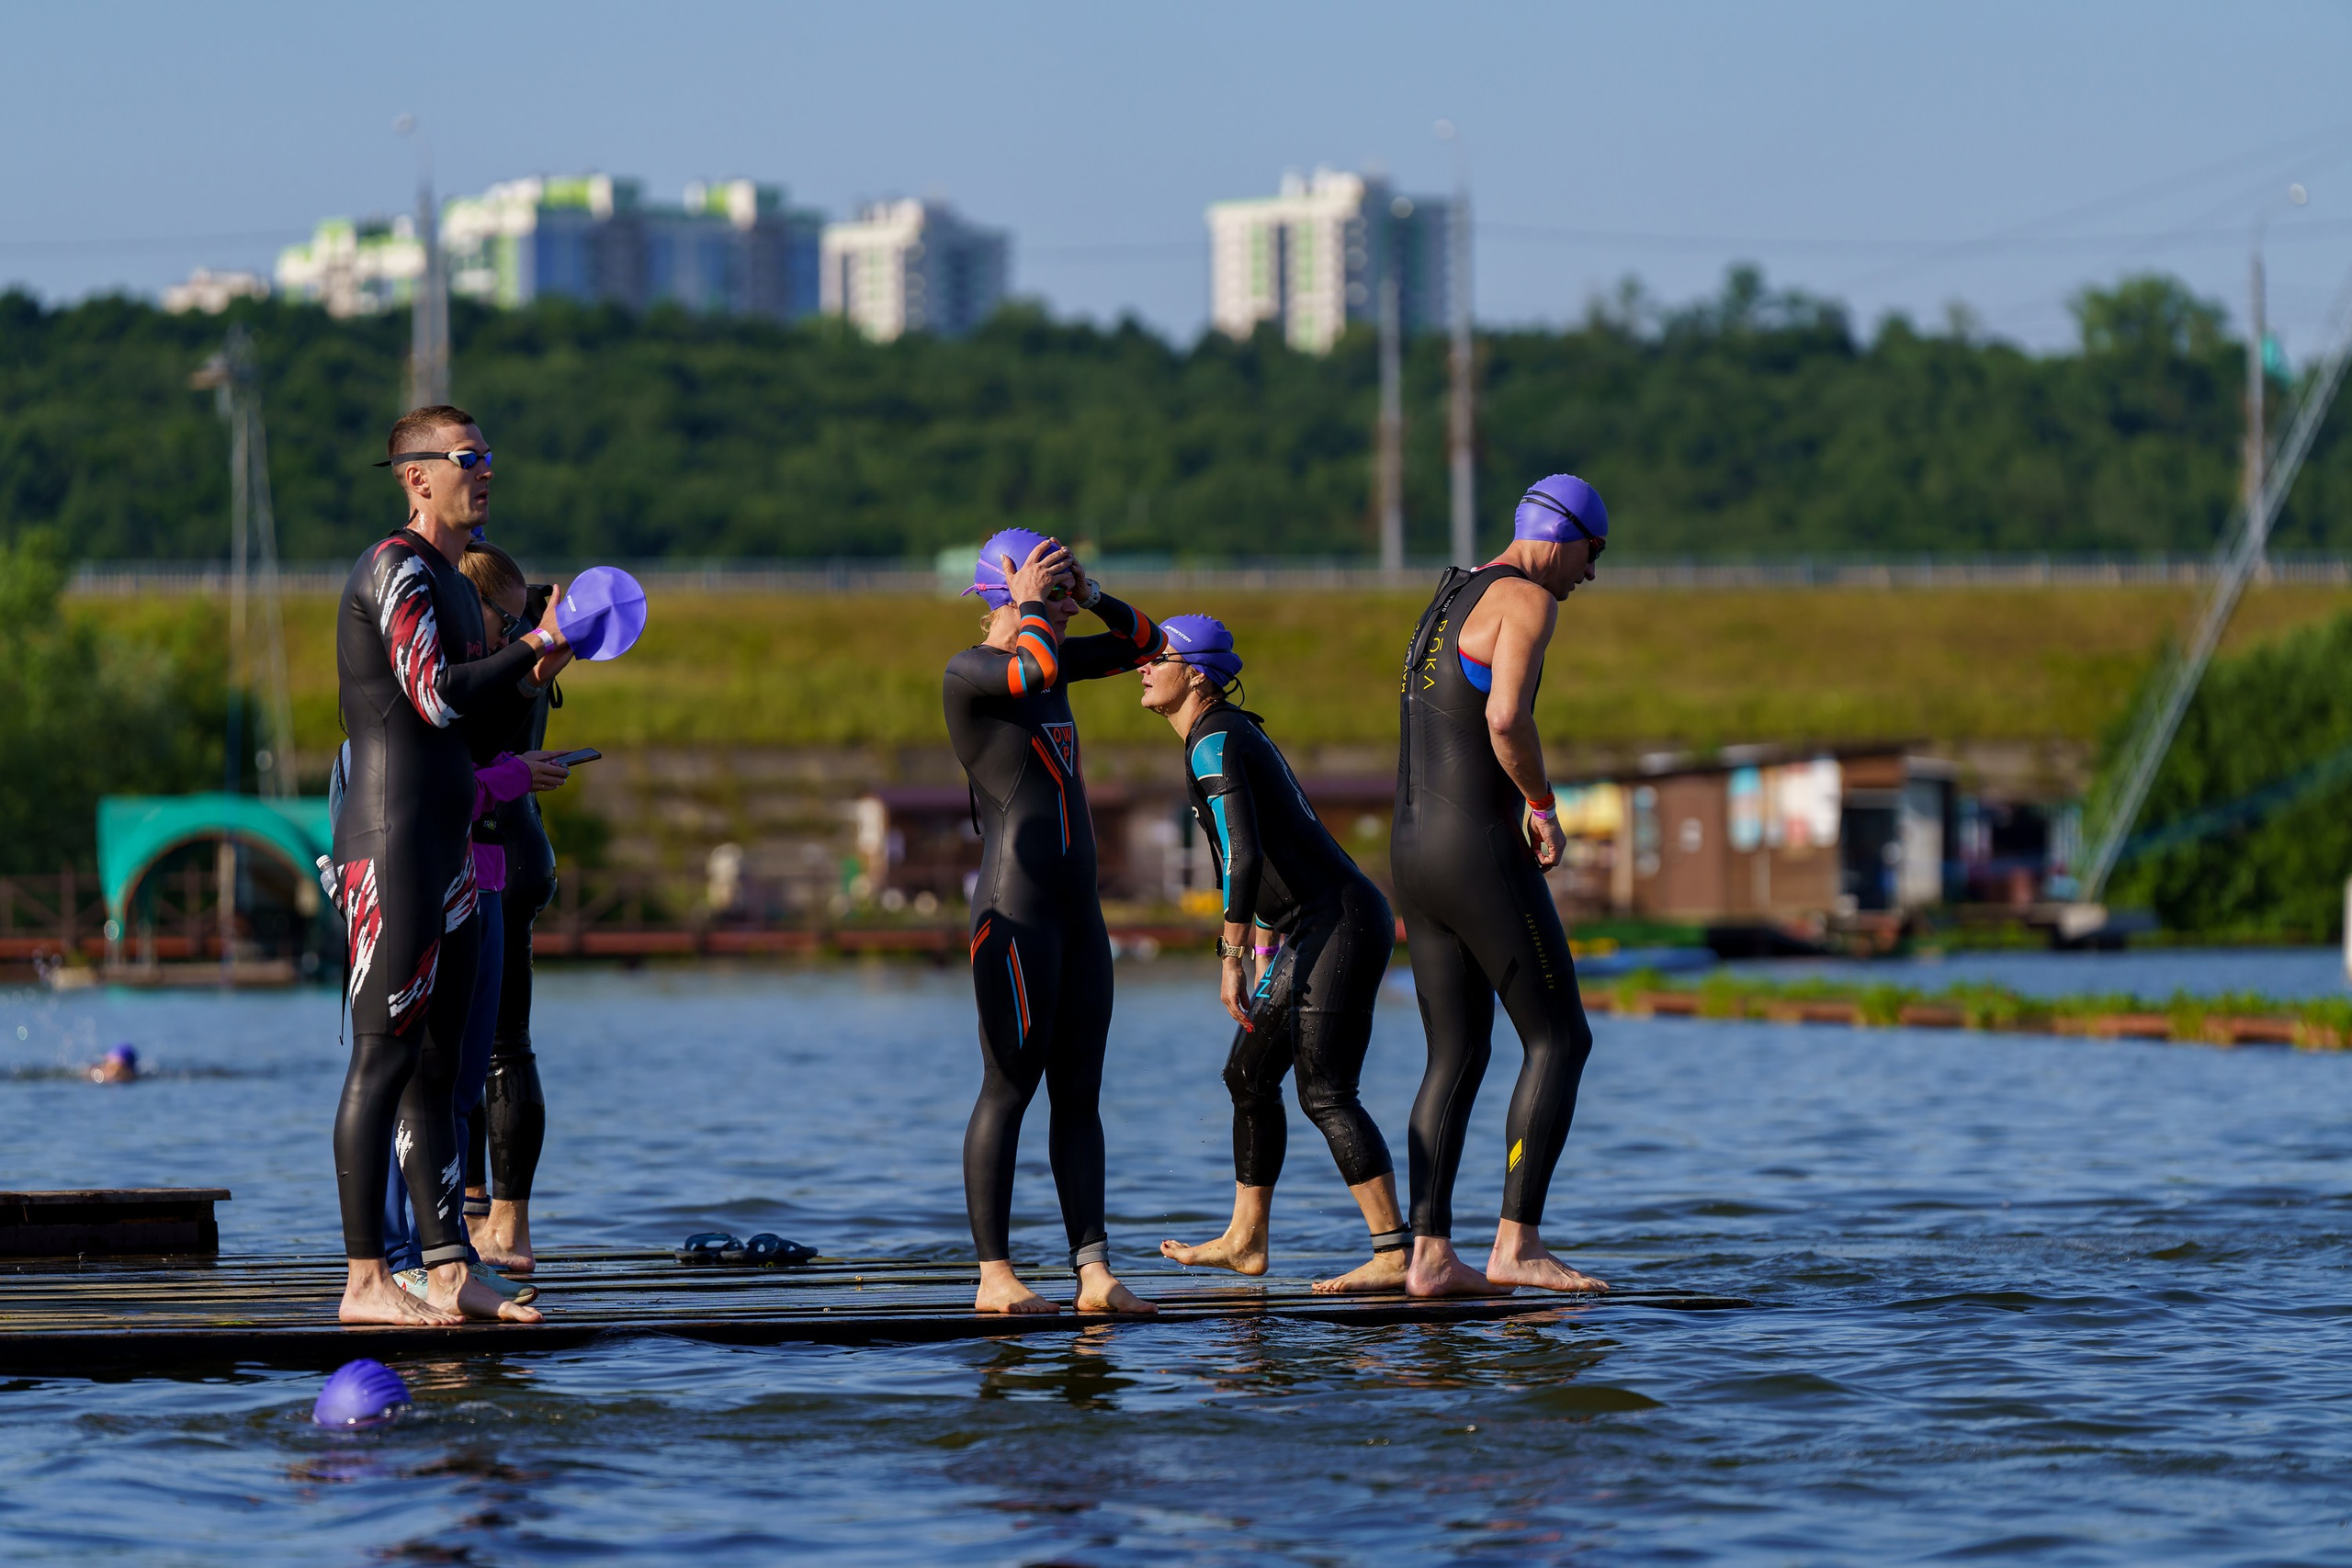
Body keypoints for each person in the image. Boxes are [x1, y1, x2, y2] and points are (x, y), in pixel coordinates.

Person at [330, 404, 569, 1327]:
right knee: (382, 1060)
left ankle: (446, 1268)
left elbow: (481, 715)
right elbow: (432, 695)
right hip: (388, 846)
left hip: (453, 850)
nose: (486, 470)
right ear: (417, 476)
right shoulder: (393, 569)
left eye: (489, 455)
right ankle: (364, 1280)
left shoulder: (461, 588)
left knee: (440, 1070)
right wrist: (533, 644)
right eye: (469, 457)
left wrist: (541, 662)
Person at [1391, 473, 1612, 1299]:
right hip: (1477, 850)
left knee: (1455, 1052)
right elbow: (1505, 717)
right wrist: (1542, 806)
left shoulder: (1449, 596)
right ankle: (1517, 1245)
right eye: (1592, 554)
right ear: (1564, 537)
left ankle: (1429, 1255)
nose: (1590, 574)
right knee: (1560, 1039)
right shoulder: (1528, 599)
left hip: (1412, 852)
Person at [1142, 615, 1409, 1293]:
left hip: (1340, 924)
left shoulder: (1214, 739)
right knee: (1249, 1075)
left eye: (1158, 657)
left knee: (1326, 1092)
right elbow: (1269, 849)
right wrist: (1265, 945)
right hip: (1314, 927)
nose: (1143, 666)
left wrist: (1230, 954)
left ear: (1195, 674)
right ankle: (1246, 1240)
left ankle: (1394, 1253)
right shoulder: (1224, 733)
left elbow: (1243, 853)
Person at [944, 529, 1166, 1315]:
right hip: (1014, 914)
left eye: (1068, 594)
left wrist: (1094, 596)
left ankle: (1094, 1272)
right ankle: (995, 1275)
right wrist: (1035, 604)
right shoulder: (971, 673)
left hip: (1078, 916)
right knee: (1009, 1086)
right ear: (1002, 595)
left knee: (1080, 1092)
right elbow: (1031, 668)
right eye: (1052, 594)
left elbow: (1149, 645)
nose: (1064, 610)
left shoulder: (1055, 653)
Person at [457, 541, 571, 1274]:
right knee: (499, 1045)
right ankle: (494, 1220)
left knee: (486, 1048)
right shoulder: (529, 656)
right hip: (523, 847)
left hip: (495, 854)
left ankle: (496, 1221)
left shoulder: (497, 663)